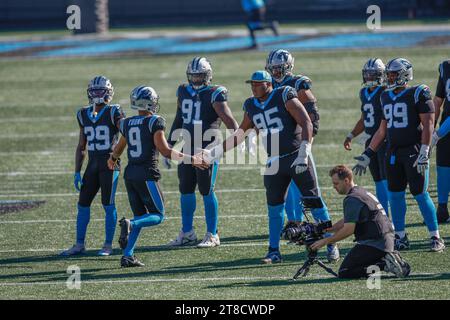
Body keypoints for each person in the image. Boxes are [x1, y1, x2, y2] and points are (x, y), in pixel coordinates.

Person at [200, 70, 333, 264]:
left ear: (268, 84)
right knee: (274, 207)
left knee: (314, 202)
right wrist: (215, 153)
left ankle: (331, 243)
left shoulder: (284, 95)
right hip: (275, 160)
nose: (253, 87)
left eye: (257, 84)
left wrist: (304, 151)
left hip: (296, 155)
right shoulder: (251, 105)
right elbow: (240, 133)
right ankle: (273, 251)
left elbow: (306, 122)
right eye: (251, 84)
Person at [107, 85, 207, 267]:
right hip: (147, 174)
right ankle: (129, 225)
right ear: (150, 103)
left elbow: (120, 147)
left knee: (139, 216)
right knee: (157, 215)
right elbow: (166, 151)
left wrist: (113, 158)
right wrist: (193, 159)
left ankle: (128, 255)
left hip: (130, 175)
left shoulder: (127, 123)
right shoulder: (155, 122)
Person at [353, 58, 445, 252]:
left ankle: (435, 236)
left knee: (420, 194)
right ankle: (401, 236)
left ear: (404, 74)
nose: (389, 77)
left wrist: (424, 151)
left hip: (413, 150)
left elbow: (428, 124)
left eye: (393, 74)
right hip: (393, 152)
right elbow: (382, 130)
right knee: (395, 196)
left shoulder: (419, 92)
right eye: (389, 74)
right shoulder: (385, 96)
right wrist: (368, 153)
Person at [265, 49, 339, 261]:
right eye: (272, 69)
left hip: (298, 149)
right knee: (284, 199)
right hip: (277, 152)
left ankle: (330, 241)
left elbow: (312, 119)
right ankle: (295, 235)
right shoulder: (268, 86)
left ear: (288, 67)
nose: (276, 72)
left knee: (313, 199)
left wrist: (306, 146)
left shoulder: (298, 84)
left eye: (279, 68)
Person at [166, 57, 241, 248]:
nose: (196, 80)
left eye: (200, 76)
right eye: (193, 76)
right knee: (185, 189)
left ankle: (213, 234)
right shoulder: (183, 91)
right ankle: (187, 232)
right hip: (188, 147)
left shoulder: (215, 93)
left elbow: (229, 119)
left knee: (206, 190)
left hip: (208, 147)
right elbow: (178, 119)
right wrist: (169, 145)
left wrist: (238, 138)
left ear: (207, 75)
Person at [61, 76, 124, 257]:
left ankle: (107, 245)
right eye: (94, 91)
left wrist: (115, 156)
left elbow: (125, 133)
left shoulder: (114, 111)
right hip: (92, 164)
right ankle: (79, 244)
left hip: (109, 164)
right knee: (82, 204)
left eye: (101, 91)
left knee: (108, 204)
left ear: (108, 93)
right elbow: (82, 146)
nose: (97, 95)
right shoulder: (82, 114)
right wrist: (76, 172)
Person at [310, 165, 410, 279]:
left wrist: (326, 241)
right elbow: (348, 219)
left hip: (375, 243)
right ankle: (386, 258)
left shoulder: (352, 199)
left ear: (346, 180)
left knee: (345, 272)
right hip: (386, 239)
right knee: (353, 265)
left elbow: (348, 230)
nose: (334, 187)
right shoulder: (360, 191)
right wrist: (331, 229)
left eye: (336, 183)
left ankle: (384, 264)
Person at [344, 58, 390, 216]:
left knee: (386, 180)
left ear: (381, 75)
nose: (369, 78)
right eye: (367, 74)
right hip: (370, 140)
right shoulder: (363, 92)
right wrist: (351, 135)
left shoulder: (385, 91)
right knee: (377, 179)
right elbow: (364, 118)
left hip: (385, 140)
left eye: (373, 74)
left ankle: (390, 215)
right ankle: (384, 213)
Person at [431, 60, 450, 223]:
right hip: (445, 125)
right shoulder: (445, 67)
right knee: (443, 165)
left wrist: (437, 134)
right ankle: (442, 209)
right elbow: (438, 100)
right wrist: (432, 127)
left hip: (445, 128)